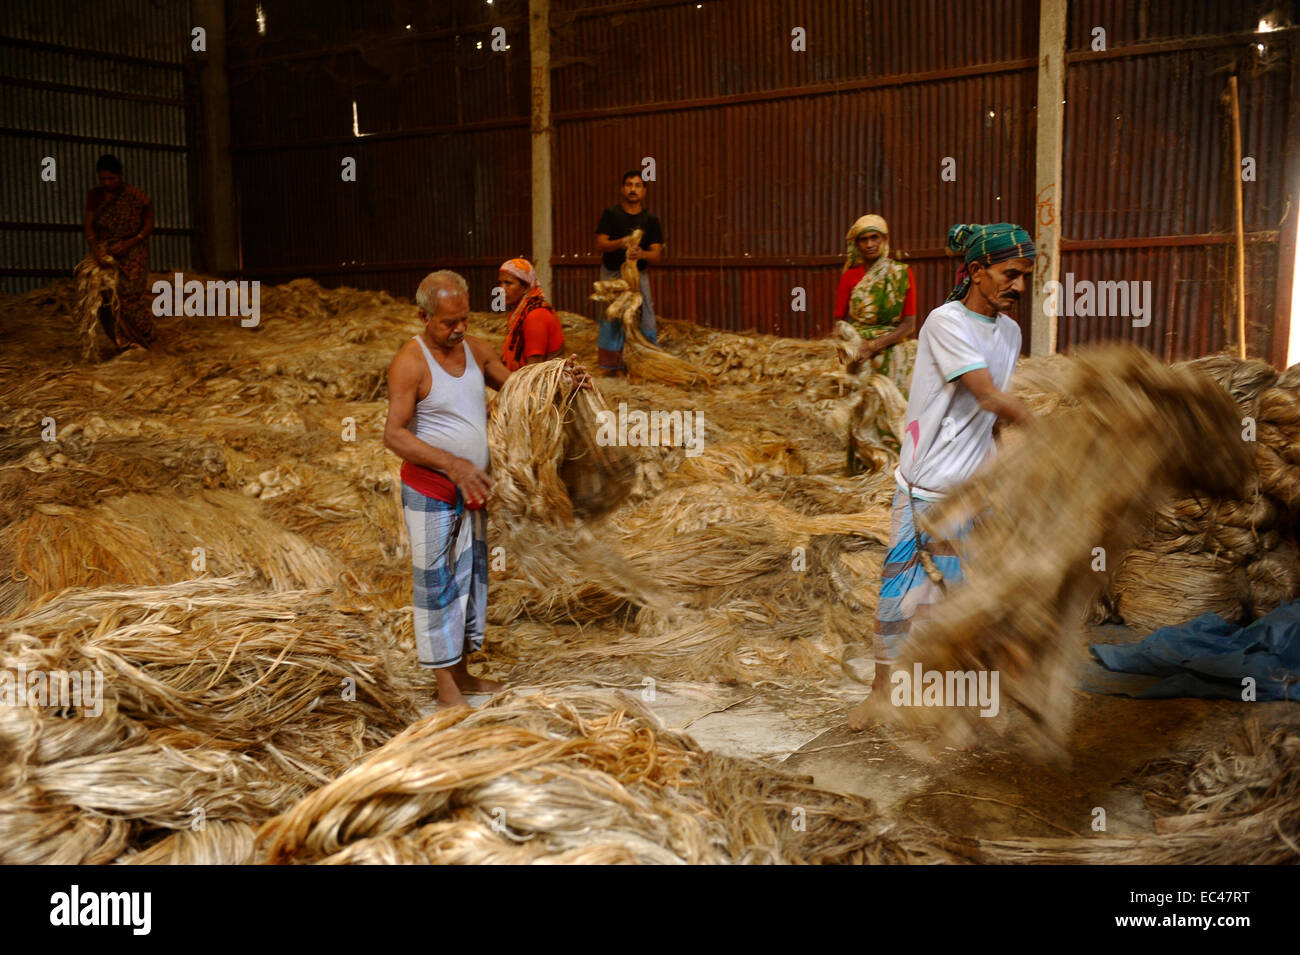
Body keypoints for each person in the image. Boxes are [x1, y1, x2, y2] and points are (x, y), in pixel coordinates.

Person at [848, 222, 1037, 731]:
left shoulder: (1012, 332)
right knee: (899, 600)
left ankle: (954, 704)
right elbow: (989, 396)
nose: (1019, 286)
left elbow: (991, 417)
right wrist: (1057, 435)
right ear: (977, 271)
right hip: (926, 488)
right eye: (1009, 274)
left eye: (1025, 276)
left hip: (975, 491)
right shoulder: (944, 322)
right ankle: (879, 694)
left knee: (964, 601)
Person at [383, 270, 587, 708]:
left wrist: (562, 382)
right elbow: (394, 435)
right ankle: (446, 689)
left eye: (464, 319)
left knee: (468, 582)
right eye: (447, 323)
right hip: (431, 489)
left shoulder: (475, 352)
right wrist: (452, 463)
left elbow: (520, 387)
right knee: (436, 585)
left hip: (473, 489)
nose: (458, 330)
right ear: (423, 316)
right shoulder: (410, 362)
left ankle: (464, 673)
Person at [833, 214, 917, 397]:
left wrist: (873, 346)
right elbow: (839, 321)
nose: (869, 244)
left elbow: (909, 324)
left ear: (884, 240)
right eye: (863, 240)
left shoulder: (901, 273)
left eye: (874, 237)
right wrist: (844, 350)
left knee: (893, 403)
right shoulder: (849, 276)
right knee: (858, 405)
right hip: (857, 352)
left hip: (891, 348)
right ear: (857, 245)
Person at [82, 154, 155, 350]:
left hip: (132, 252)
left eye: (111, 179)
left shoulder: (135, 197)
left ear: (120, 175)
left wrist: (130, 242)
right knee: (105, 298)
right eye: (103, 179)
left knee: (130, 298)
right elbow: (89, 226)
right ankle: (123, 343)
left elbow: (148, 224)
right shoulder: (96, 196)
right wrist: (96, 251)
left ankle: (147, 338)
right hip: (105, 252)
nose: (107, 183)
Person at [595, 170, 664, 373]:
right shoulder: (611, 214)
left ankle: (646, 358)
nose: (633, 189)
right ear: (622, 189)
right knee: (612, 314)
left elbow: (657, 254)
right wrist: (621, 243)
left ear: (644, 191)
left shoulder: (650, 220)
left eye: (638, 185)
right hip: (612, 275)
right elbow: (601, 244)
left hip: (638, 276)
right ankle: (611, 364)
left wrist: (641, 253)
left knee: (645, 314)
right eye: (629, 185)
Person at [498, 257, 565, 371]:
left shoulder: (536, 316)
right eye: (500, 283)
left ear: (526, 287)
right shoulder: (520, 312)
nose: (501, 289)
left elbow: (533, 370)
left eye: (508, 283)